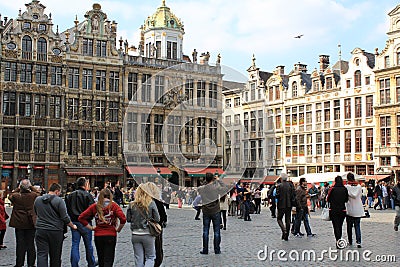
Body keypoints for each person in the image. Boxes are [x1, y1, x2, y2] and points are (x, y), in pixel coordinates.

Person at [78, 188, 126, 267]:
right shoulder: (114, 206)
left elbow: (81, 217)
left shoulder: (95, 206)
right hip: (111, 234)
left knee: (101, 259)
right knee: (109, 259)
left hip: (98, 235)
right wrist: (118, 229)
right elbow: (123, 219)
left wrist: (91, 228)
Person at [34, 183, 78, 267]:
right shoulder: (59, 201)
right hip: (55, 231)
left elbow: (36, 213)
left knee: (41, 254)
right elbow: (64, 217)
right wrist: (73, 226)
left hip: (41, 229)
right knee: (55, 256)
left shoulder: (38, 200)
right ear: (57, 191)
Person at [65, 177, 96, 267]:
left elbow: (68, 209)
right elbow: (93, 210)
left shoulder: (69, 196)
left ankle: (74, 264)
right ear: (85, 185)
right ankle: (91, 263)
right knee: (88, 245)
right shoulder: (87, 195)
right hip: (85, 223)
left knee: (75, 244)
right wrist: (89, 218)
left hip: (74, 222)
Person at [126, 183, 160, 266]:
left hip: (135, 234)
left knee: (138, 258)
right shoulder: (151, 203)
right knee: (150, 257)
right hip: (148, 233)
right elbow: (157, 219)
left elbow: (128, 219)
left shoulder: (131, 204)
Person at [8, 179, 40, 267]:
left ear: (20, 187)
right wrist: (31, 187)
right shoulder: (33, 195)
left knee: (20, 244)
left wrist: (17, 189)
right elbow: (39, 194)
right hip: (30, 222)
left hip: (19, 222)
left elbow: (10, 196)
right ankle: (31, 263)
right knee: (31, 244)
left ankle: (19, 263)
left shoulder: (16, 196)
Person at [198, 172, 229, 254]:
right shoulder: (216, 188)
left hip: (206, 211)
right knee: (217, 231)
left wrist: (207, 181)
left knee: (205, 230)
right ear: (213, 179)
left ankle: (205, 249)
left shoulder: (202, 188)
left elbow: (201, 186)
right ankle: (217, 249)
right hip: (215, 210)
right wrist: (218, 180)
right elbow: (225, 188)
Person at [144, 182, 167, 267]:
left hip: (143, 230)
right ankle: (156, 263)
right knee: (157, 248)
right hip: (155, 229)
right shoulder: (158, 202)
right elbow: (163, 217)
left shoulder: (141, 202)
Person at [327, 176, 348, 248]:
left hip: (333, 210)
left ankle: (337, 240)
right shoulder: (344, 189)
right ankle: (339, 239)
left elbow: (328, 199)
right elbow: (346, 199)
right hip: (342, 209)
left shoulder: (332, 189)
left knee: (336, 226)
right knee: (340, 225)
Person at [345, 173, 364, 248]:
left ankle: (350, 241)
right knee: (357, 226)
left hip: (350, 208)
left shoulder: (346, 187)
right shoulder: (359, 186)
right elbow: (360, 196)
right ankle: (358, 241)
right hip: (358, 208)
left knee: (349, 227)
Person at [275, 173, 295, 241]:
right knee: (288, 220)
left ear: (281, 178)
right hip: (289, 205)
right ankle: (286, 236)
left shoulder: (279, 186)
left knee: (279, 218)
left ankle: (284, 230)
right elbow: (293, 195)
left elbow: (277, 195)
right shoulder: (290, 185)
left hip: (281, 205)